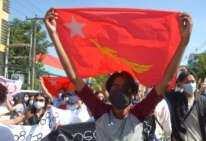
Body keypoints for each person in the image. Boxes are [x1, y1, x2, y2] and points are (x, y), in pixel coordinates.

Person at [44, 8, 192, 140]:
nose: (119, 91)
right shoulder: (100, 111)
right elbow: (74, 77)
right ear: (108, 91)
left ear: (133, 93)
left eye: (125, 87)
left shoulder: (139, 112)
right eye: (115, 87)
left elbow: (165, 81)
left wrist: (183, 42)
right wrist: (54, 35)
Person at [165, 71, 206, 141]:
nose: (191, 84)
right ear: (181, 84)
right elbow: (163, 87)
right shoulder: (175, 98)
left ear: (196, 82)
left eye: (193, 81)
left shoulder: (202, 101)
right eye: (187, 82)